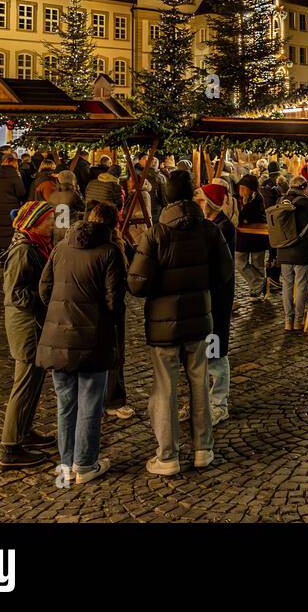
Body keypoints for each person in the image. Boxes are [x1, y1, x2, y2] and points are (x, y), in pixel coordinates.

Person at [128, 169, 232, 476]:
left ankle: (168, 456)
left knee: (165, 389)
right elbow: (224, 273)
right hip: (199, 320)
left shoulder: (157, 234)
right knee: (199, 384)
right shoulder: (209, 231)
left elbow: (136, 283)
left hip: (164, 324)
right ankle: (203, 449)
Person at [36, 201, 123, 484]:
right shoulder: (109, 253)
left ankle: (65, 462)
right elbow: (115, 300)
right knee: (89, 402)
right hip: (91, 339)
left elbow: (44, 288)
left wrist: (60, 313)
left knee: (66, 403)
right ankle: (84, 464)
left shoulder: (61, 247)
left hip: (57, 338)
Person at [0, 201, 57, 469]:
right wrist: (47, 295)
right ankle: (10, 446)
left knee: (33, 382)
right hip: (26, 326)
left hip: (33, 324)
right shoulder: (23, 250)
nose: (53, 223)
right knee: (23, 385)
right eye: (49, 220)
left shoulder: (35, 245)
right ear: (35, 222)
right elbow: (15, 294)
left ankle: (24, 431)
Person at [194, 183, 235, 422]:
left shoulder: (223, 229)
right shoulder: (210, 226)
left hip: (217, 301)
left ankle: (219, 402)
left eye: (200, 200)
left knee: (216, 354)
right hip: (206, 301)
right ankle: (203, 401)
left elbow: (220, 269)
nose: (198, 205)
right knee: (204, 353)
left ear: (209, 204)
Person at [270, 182, 308, 332]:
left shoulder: (281, 201)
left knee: (287, 286)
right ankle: (298, 321)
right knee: (302, 285)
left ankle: (287, 321)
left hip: (283, 249)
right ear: (303, 188)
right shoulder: (307, 202)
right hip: (301, 251)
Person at [0, 152, 27, 258]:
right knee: (8, 231)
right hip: (10, 209)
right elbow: (21, 193)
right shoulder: (15, 177)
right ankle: (5, 255)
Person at [234, 173, 268, 300]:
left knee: (258, 263)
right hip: (242, 236)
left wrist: (245, 207)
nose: (241, 190)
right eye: (240, 187)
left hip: (257, 237)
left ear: (251, 189)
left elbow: (247, 215)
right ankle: (260, 282)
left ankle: (256, 290)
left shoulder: (257, 199)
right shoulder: (235, 198)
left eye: (244, 188)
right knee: (239, 262)